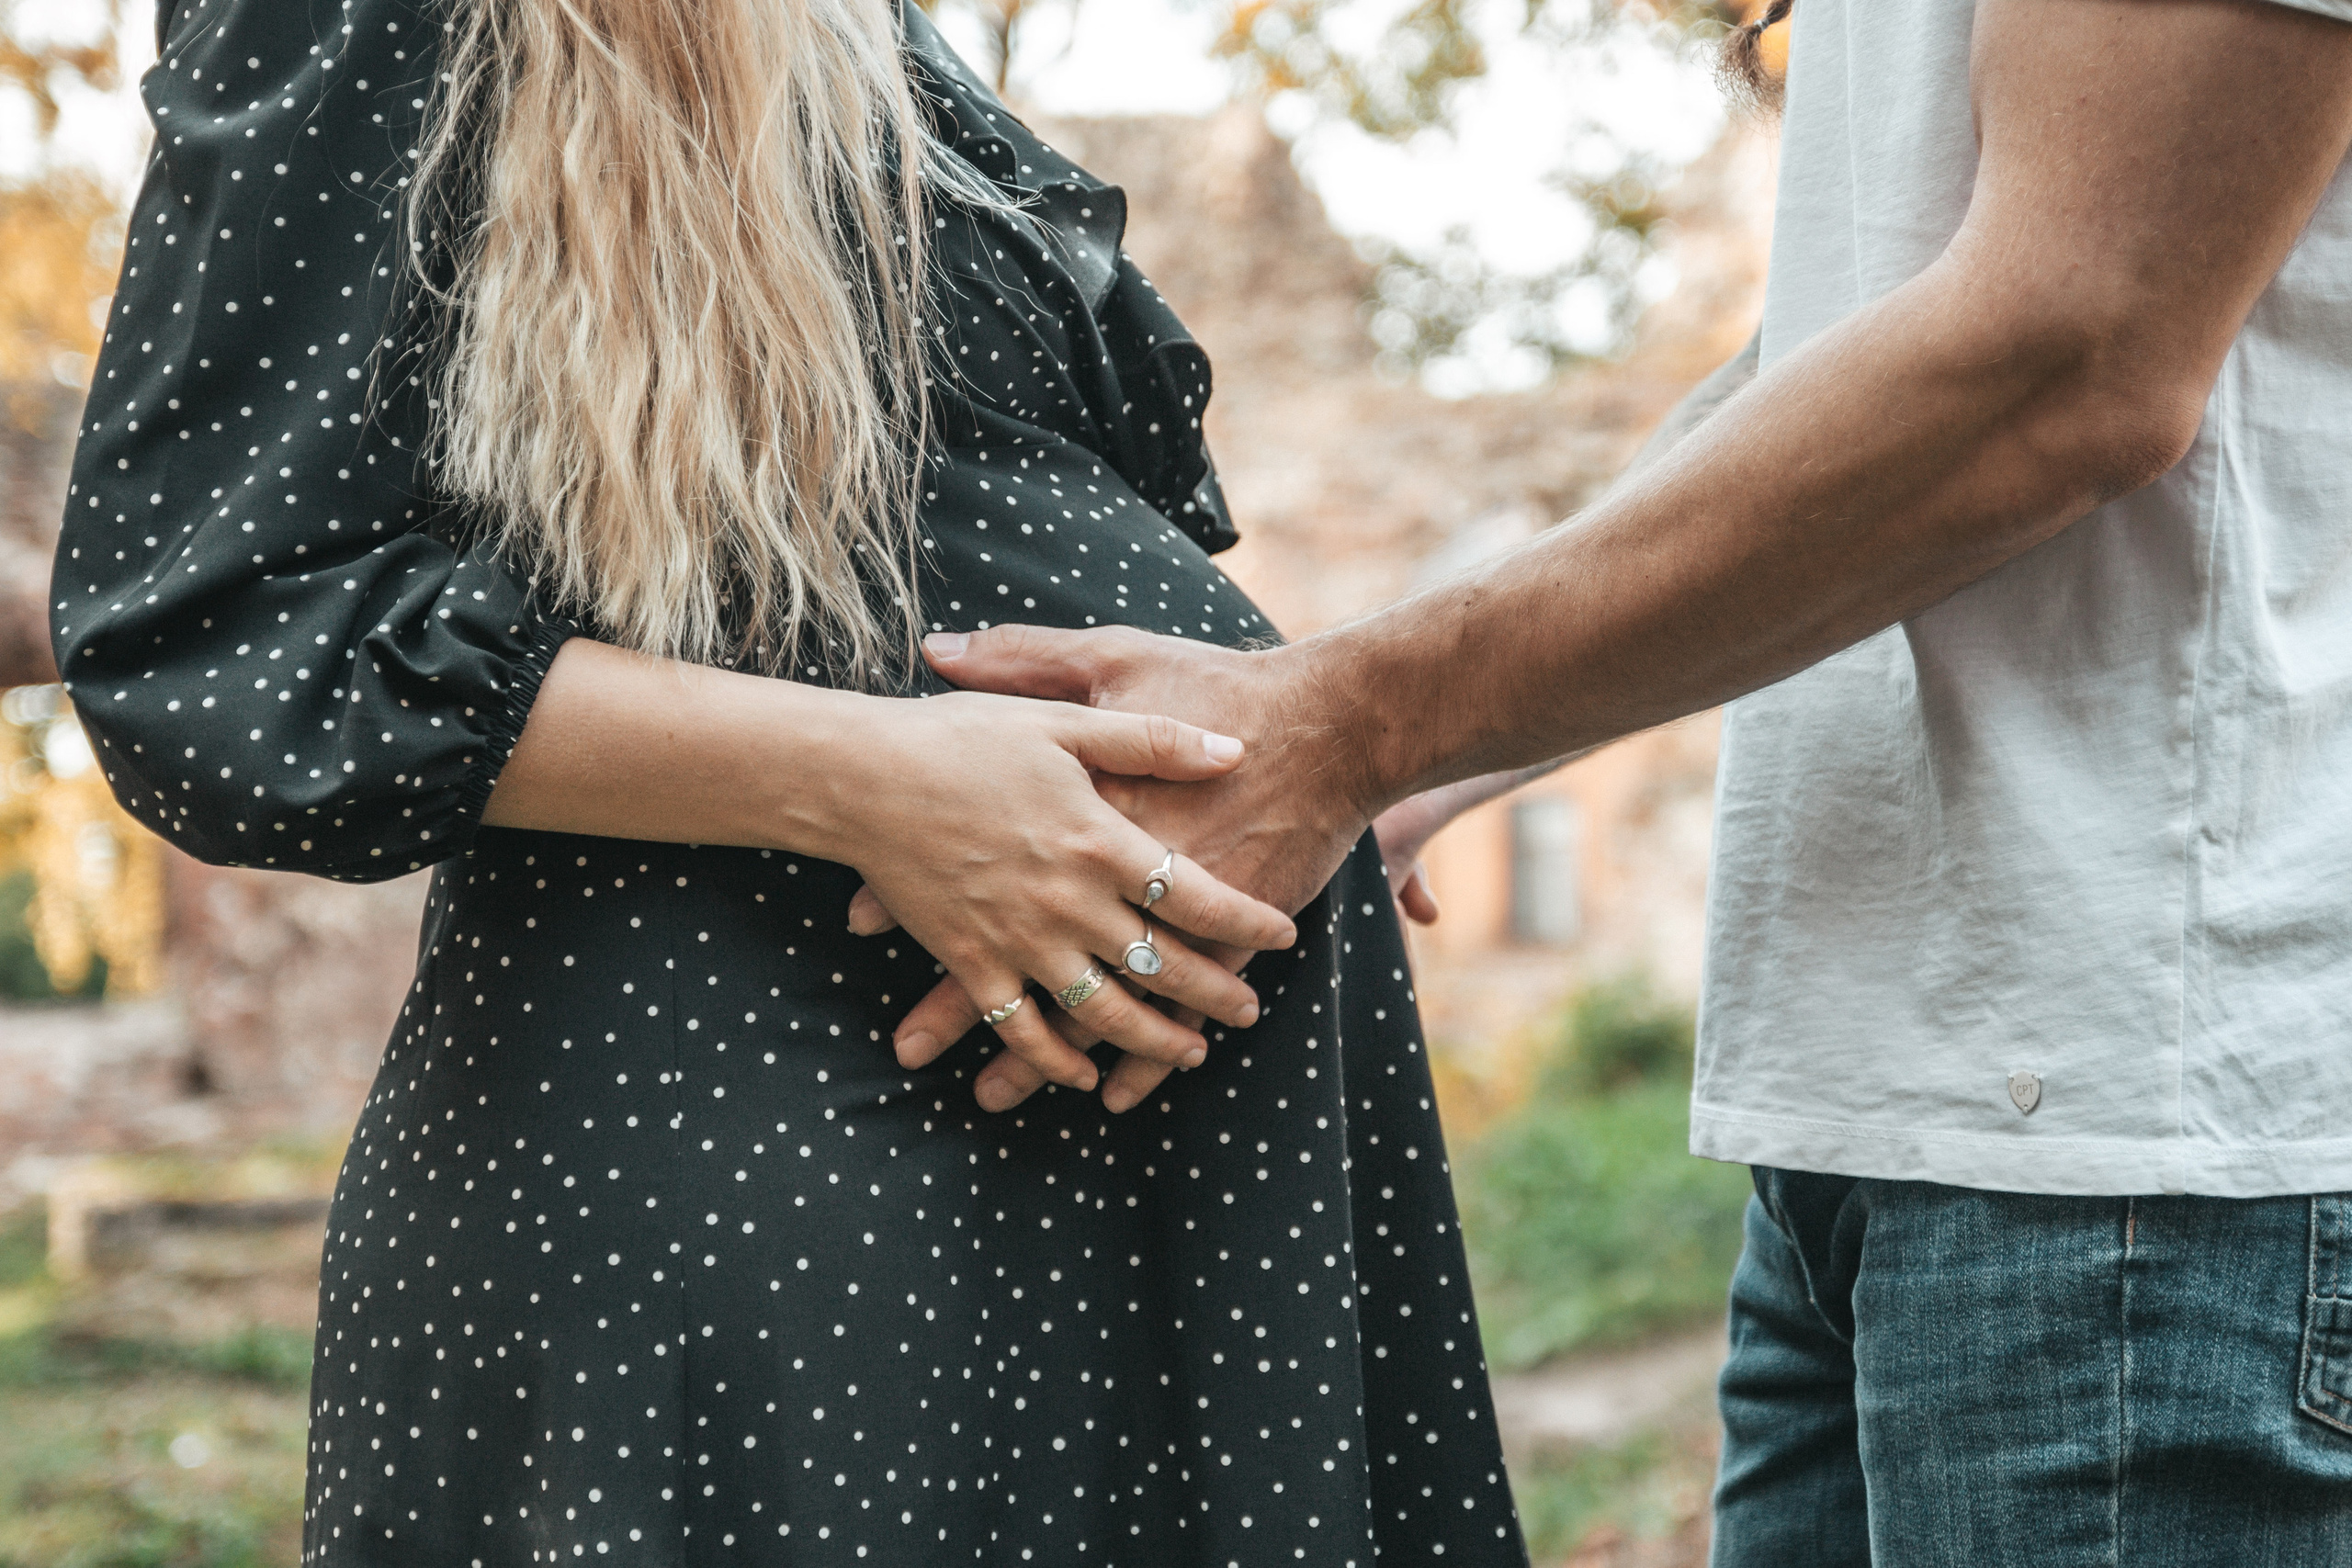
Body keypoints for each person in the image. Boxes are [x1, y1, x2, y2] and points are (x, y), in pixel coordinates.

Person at [52, 0, 1528, 1561]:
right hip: (785, 1173)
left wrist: (1296, 756)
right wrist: (874, 780)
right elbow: (207, 636)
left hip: (1139, 1198)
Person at [901, 0, 2352, 1561]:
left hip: (2143, 1167)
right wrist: (1406, 771)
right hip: (1878, 1126)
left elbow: (2076, 345)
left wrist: (1351, 727)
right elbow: (1835, 368)